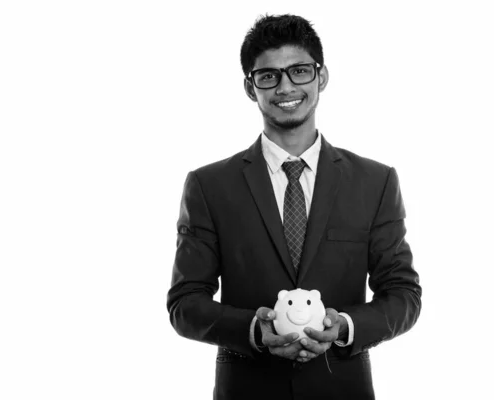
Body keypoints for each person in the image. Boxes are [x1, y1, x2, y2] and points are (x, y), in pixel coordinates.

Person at [166, 14, 421, 400]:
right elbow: (185, 303)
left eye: (299, 71)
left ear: (322, 77)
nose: (285, 86)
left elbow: (403, 293)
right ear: (251, 88)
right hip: (248, 389)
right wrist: (253, 329)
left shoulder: (375, 182)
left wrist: (347, 326)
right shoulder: (209, 186)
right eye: (268, 76)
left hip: (343, 389)